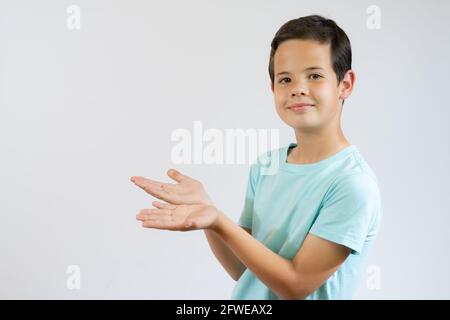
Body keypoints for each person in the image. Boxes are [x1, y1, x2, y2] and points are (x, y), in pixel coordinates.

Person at [131, 15, 382, 300]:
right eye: (285, 78)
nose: (298, 88)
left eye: (314, 75)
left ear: (345, 84)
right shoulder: (266, 166)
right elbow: (245, 269)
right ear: (273, 88)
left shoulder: (352, 184)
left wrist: (220, 221)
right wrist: (207, 213)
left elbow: (296, 284)